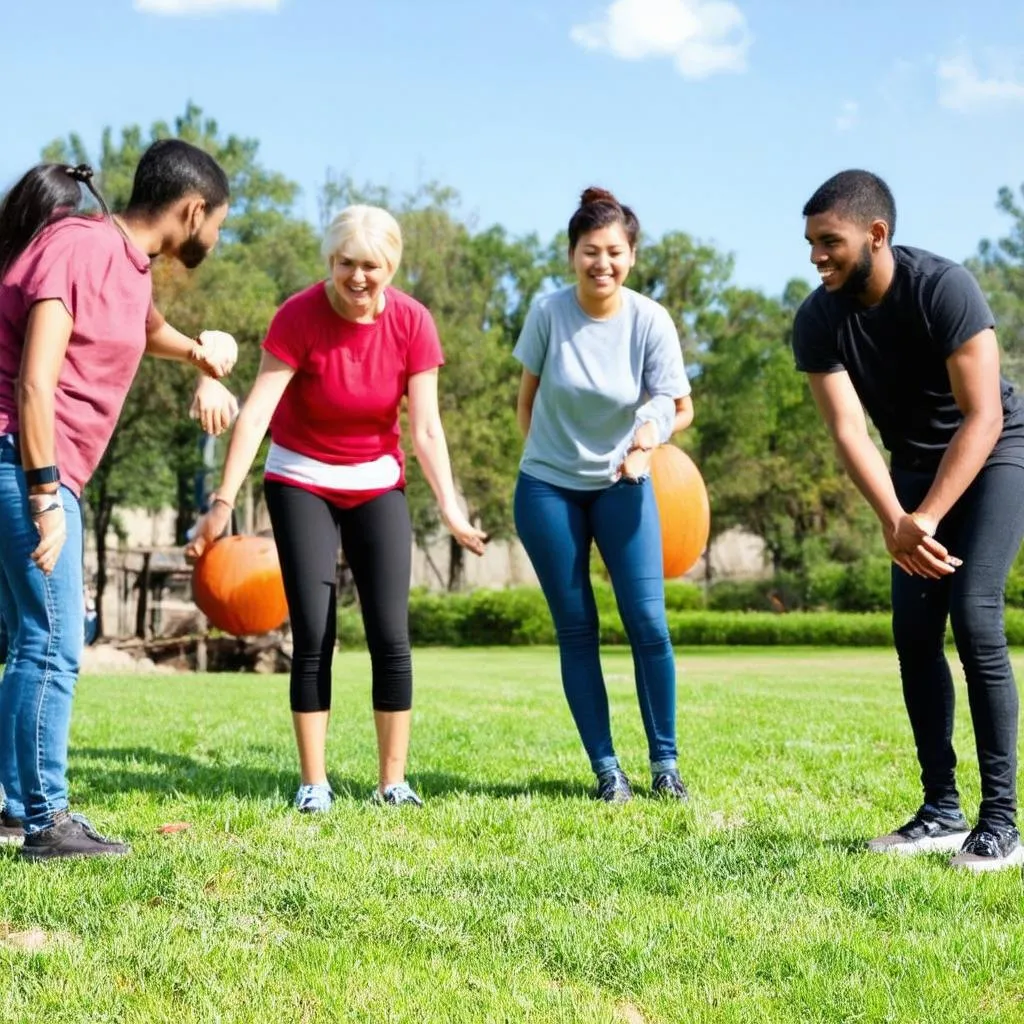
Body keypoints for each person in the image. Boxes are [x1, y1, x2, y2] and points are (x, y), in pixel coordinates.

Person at [186, 204, 487, 813]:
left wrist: (452, 510)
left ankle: (392, 782)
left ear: (390, 267)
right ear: (330, 262)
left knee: (389, 633)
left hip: (376, 480)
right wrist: (222, 503)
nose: (356, 277)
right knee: (315, 632)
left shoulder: (412, 323)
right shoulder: (299, 315)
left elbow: (426, 430)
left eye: (370, 266)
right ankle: (313, 783)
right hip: (300, 478)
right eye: (344, 263)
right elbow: (258, 413)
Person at [0, 141, 240, 859]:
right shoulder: (78, 247)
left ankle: (15, 810)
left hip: (34, 467)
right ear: (192, 211)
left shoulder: (128, 266)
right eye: (219, 224)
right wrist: (45, 495)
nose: (216, 238)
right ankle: (46, 820)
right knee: (53, 643)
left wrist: (200, 355)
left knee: (28, 641)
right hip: (24, 461)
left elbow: (144, 328)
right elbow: (35, 381)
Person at [793, 169, 1024, 872]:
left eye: (829, 241)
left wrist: (923, 515)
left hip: (997, 450)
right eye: (809, 243)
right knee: (914, 633)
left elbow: (983, 416)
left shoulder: (942, 288)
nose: (816, 257)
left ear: (876, 235)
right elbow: (848, 432)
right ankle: (941, 813)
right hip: (913, 472)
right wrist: (897, 518)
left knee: (975, 615)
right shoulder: (817, 318)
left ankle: (1003, 824)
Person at [512, 187, 694, 804]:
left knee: (648, 622)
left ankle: (665, 765)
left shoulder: (650, 320)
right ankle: (607, 770)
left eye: (614, 252)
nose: (602, 264)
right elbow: (526, 403)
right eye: (591, 252)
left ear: (632, 256)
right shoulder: (547, 314)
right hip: (547, 490)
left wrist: (646, 442)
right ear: (572, 256)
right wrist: (554, 457)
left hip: (625, 483)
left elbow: (678, 406)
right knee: (577, 627)